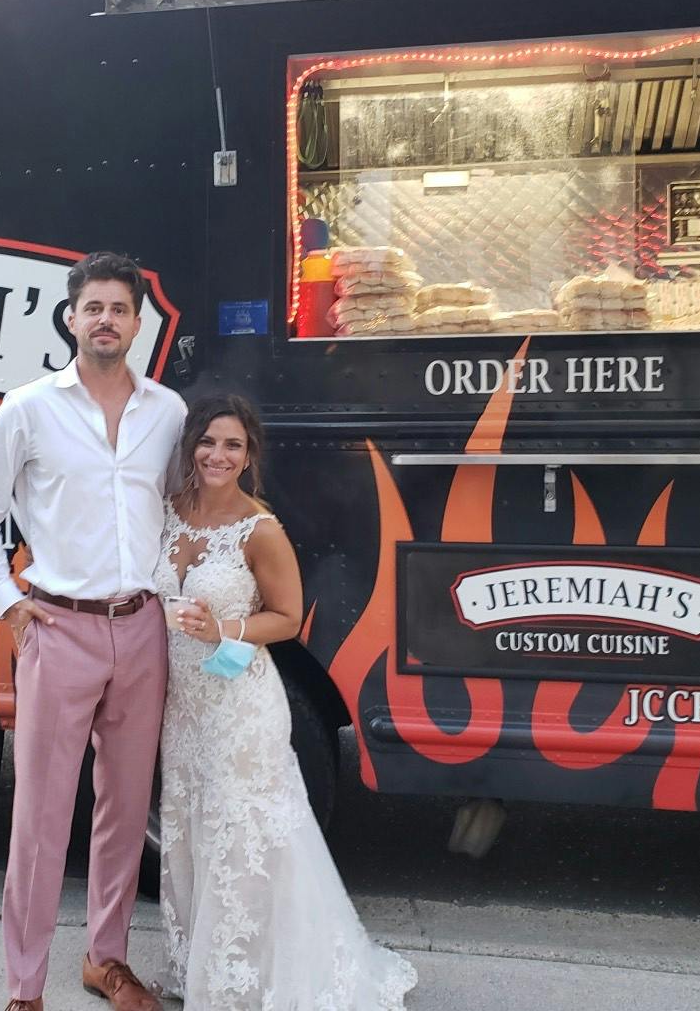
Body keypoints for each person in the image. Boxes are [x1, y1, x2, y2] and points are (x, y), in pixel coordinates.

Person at [0, 251, 186, 1011]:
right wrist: (8, 602)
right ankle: (25, 987)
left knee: (124, 806)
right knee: (42, 814)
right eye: (94, 307)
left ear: (138, 322)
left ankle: (106, 960)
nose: (107, 321)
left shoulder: (169, 412)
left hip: (141, 627)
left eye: (121, 309)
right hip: (58, 628)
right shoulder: (28, 407)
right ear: (70, 317)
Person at [154, 394, 418, 1010]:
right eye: (208, 442)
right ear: (191, 446)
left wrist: (225, 631)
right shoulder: (170, 512)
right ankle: (199, 964)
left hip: (241, 704)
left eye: (233, 445)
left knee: (244, 835)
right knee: (189, 830)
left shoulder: (259, 528)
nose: (218, 455)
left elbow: (290, 618)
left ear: (249, 457)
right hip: (184, 704)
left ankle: (247, 977)